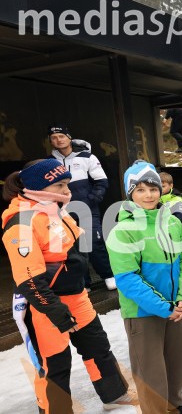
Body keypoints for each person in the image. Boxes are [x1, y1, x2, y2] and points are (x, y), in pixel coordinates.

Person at [2, 159, 132, 414]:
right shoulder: (21, 223)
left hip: (77, 295)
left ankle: (114, 394)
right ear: (38, 187)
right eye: (59, 185)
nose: (67, 190)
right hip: (45, 305)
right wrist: (56, 312)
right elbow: (29, 279)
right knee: (54, 363)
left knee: (98, 347)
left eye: (66, 184)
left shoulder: (56, 210)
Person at [106, 160, 182, 414]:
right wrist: (164, 307)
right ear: (130, 193)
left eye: (153, 188)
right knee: (151, 372)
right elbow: (127, 279)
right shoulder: (123, 230)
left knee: (177, 363)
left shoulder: (171, 221)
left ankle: (172, 409)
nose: (149, 195)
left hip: (174, 309)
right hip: (144, 314)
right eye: (142, 189)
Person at [49, 125, 116, 291]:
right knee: (73, 247)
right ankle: (84, 283)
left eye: (61, 136)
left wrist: (92, 200)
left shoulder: (87, 157)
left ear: (69, 137)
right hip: (63, 212)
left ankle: (108, 276)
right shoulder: (50, 162)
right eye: (54, 138)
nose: (58, 140)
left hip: (88, 208)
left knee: (94, 242)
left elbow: (101, 181)